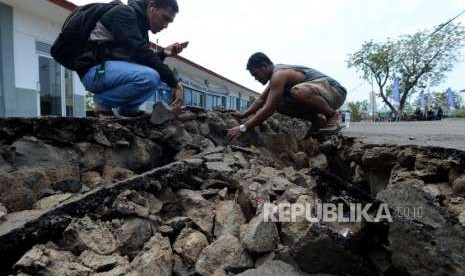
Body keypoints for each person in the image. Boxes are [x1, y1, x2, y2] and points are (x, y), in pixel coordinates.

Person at [77, 0, 185, 117]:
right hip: (94, 72)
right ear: (152, 7)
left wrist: (163, 53)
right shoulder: (124, 14)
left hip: (107, 72)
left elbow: (142, 60)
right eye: (165, 18)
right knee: (150, 77)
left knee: (156, 76)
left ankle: (128, 110)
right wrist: (174, 83)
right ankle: (102, 103)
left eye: (169, 22)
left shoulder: (140, 27)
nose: (165, 26)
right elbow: (142, 53)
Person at [227, 52, 347, 139]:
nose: (256, 79)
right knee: (279, 104)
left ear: (264, 66)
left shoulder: (279, 74)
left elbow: (268, 109)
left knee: (297, 91)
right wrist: (243, 114)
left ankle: (332, 115)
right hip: (324, 95)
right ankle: (317, 121)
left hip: (335, 92)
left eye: (256, 74)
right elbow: (261, 100)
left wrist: (243, 128)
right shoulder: (275, 78)